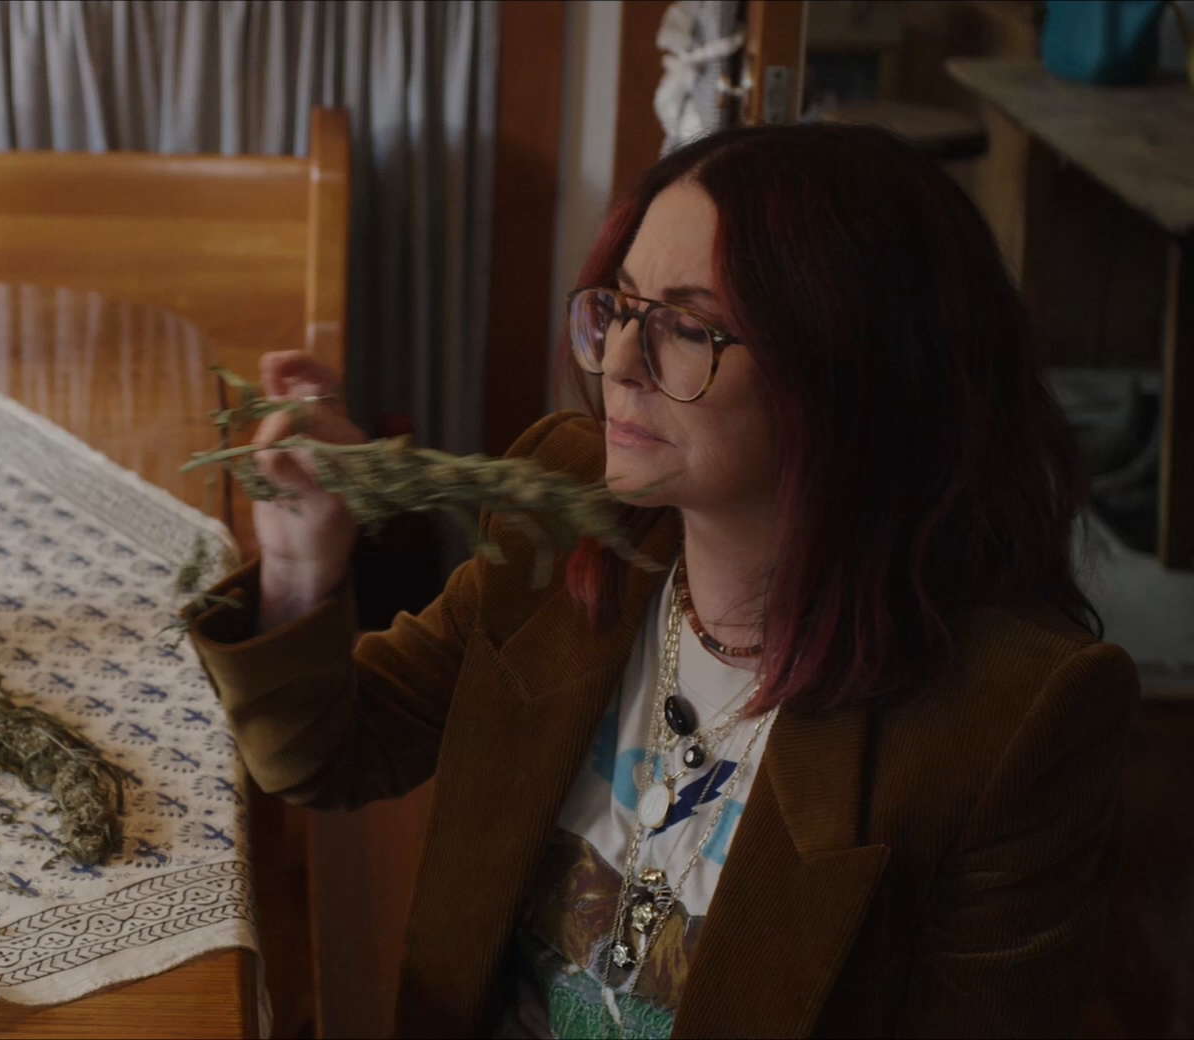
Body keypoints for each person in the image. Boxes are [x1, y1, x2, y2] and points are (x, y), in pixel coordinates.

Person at [187, 123, 1138, 1038]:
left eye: (687, 326)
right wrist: (303, 564)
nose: (618, 363)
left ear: (852, 377)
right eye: (621, 306)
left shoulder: (1014, 717)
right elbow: (324, 751)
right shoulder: (566, 513)